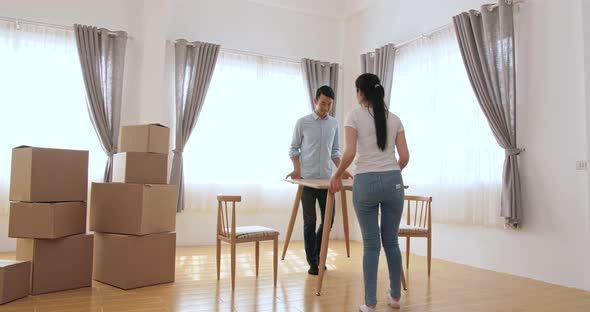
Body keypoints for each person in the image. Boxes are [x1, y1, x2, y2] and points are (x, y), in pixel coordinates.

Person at [329, 73, 409, 311]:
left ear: (360, 93)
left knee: (371, 245)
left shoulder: (353, 116)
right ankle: (395, 298)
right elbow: (404, 157)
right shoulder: (394, 119)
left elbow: (351, 152)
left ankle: (370, 303)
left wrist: (337, 174)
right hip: (394, 181)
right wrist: (391, 172)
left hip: (365, 183)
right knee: (391, 242)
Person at [287, 85, 352, 275]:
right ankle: (313, 263)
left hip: (326, 181)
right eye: (323, 103)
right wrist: (297, 170)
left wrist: (342, 170)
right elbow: (293, 149)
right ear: (315, 101)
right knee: (310, 221)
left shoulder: (334, 124)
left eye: (329, 104)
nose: (326, 107)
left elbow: (334, 152)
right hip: (307, 180)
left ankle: (315, 254)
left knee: (328, 221)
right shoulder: (302, 123)